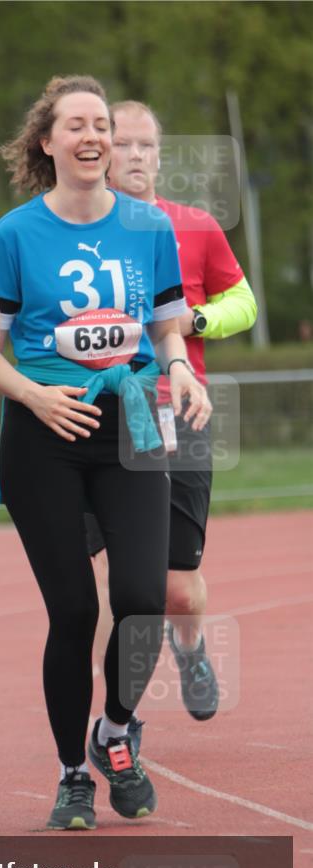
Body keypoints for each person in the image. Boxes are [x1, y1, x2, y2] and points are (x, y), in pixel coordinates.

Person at [0, 76, 211, 830]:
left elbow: (168, 326)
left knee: (141, 599)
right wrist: (33, 396)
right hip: (45, 430)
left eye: (100, 125)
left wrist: (174, 366)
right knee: (72, 610)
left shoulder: (147, 226)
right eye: (74, 125)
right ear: (46, 142)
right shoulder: (10, 235)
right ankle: (72, 774)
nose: (91, 136)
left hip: (133, 422)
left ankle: (114, 731)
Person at [86, 101, 258, 727]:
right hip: (96, 419)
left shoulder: (194, 225)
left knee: (177, 589)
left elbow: (244, 302)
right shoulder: (75, 228)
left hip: (177, 415)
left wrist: (197, 319)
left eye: (146, 146)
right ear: (99, 152)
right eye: (122, 144)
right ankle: (118, 716)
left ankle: (190, 647)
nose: (134, 156)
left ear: (160, 155)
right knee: (118, 586)